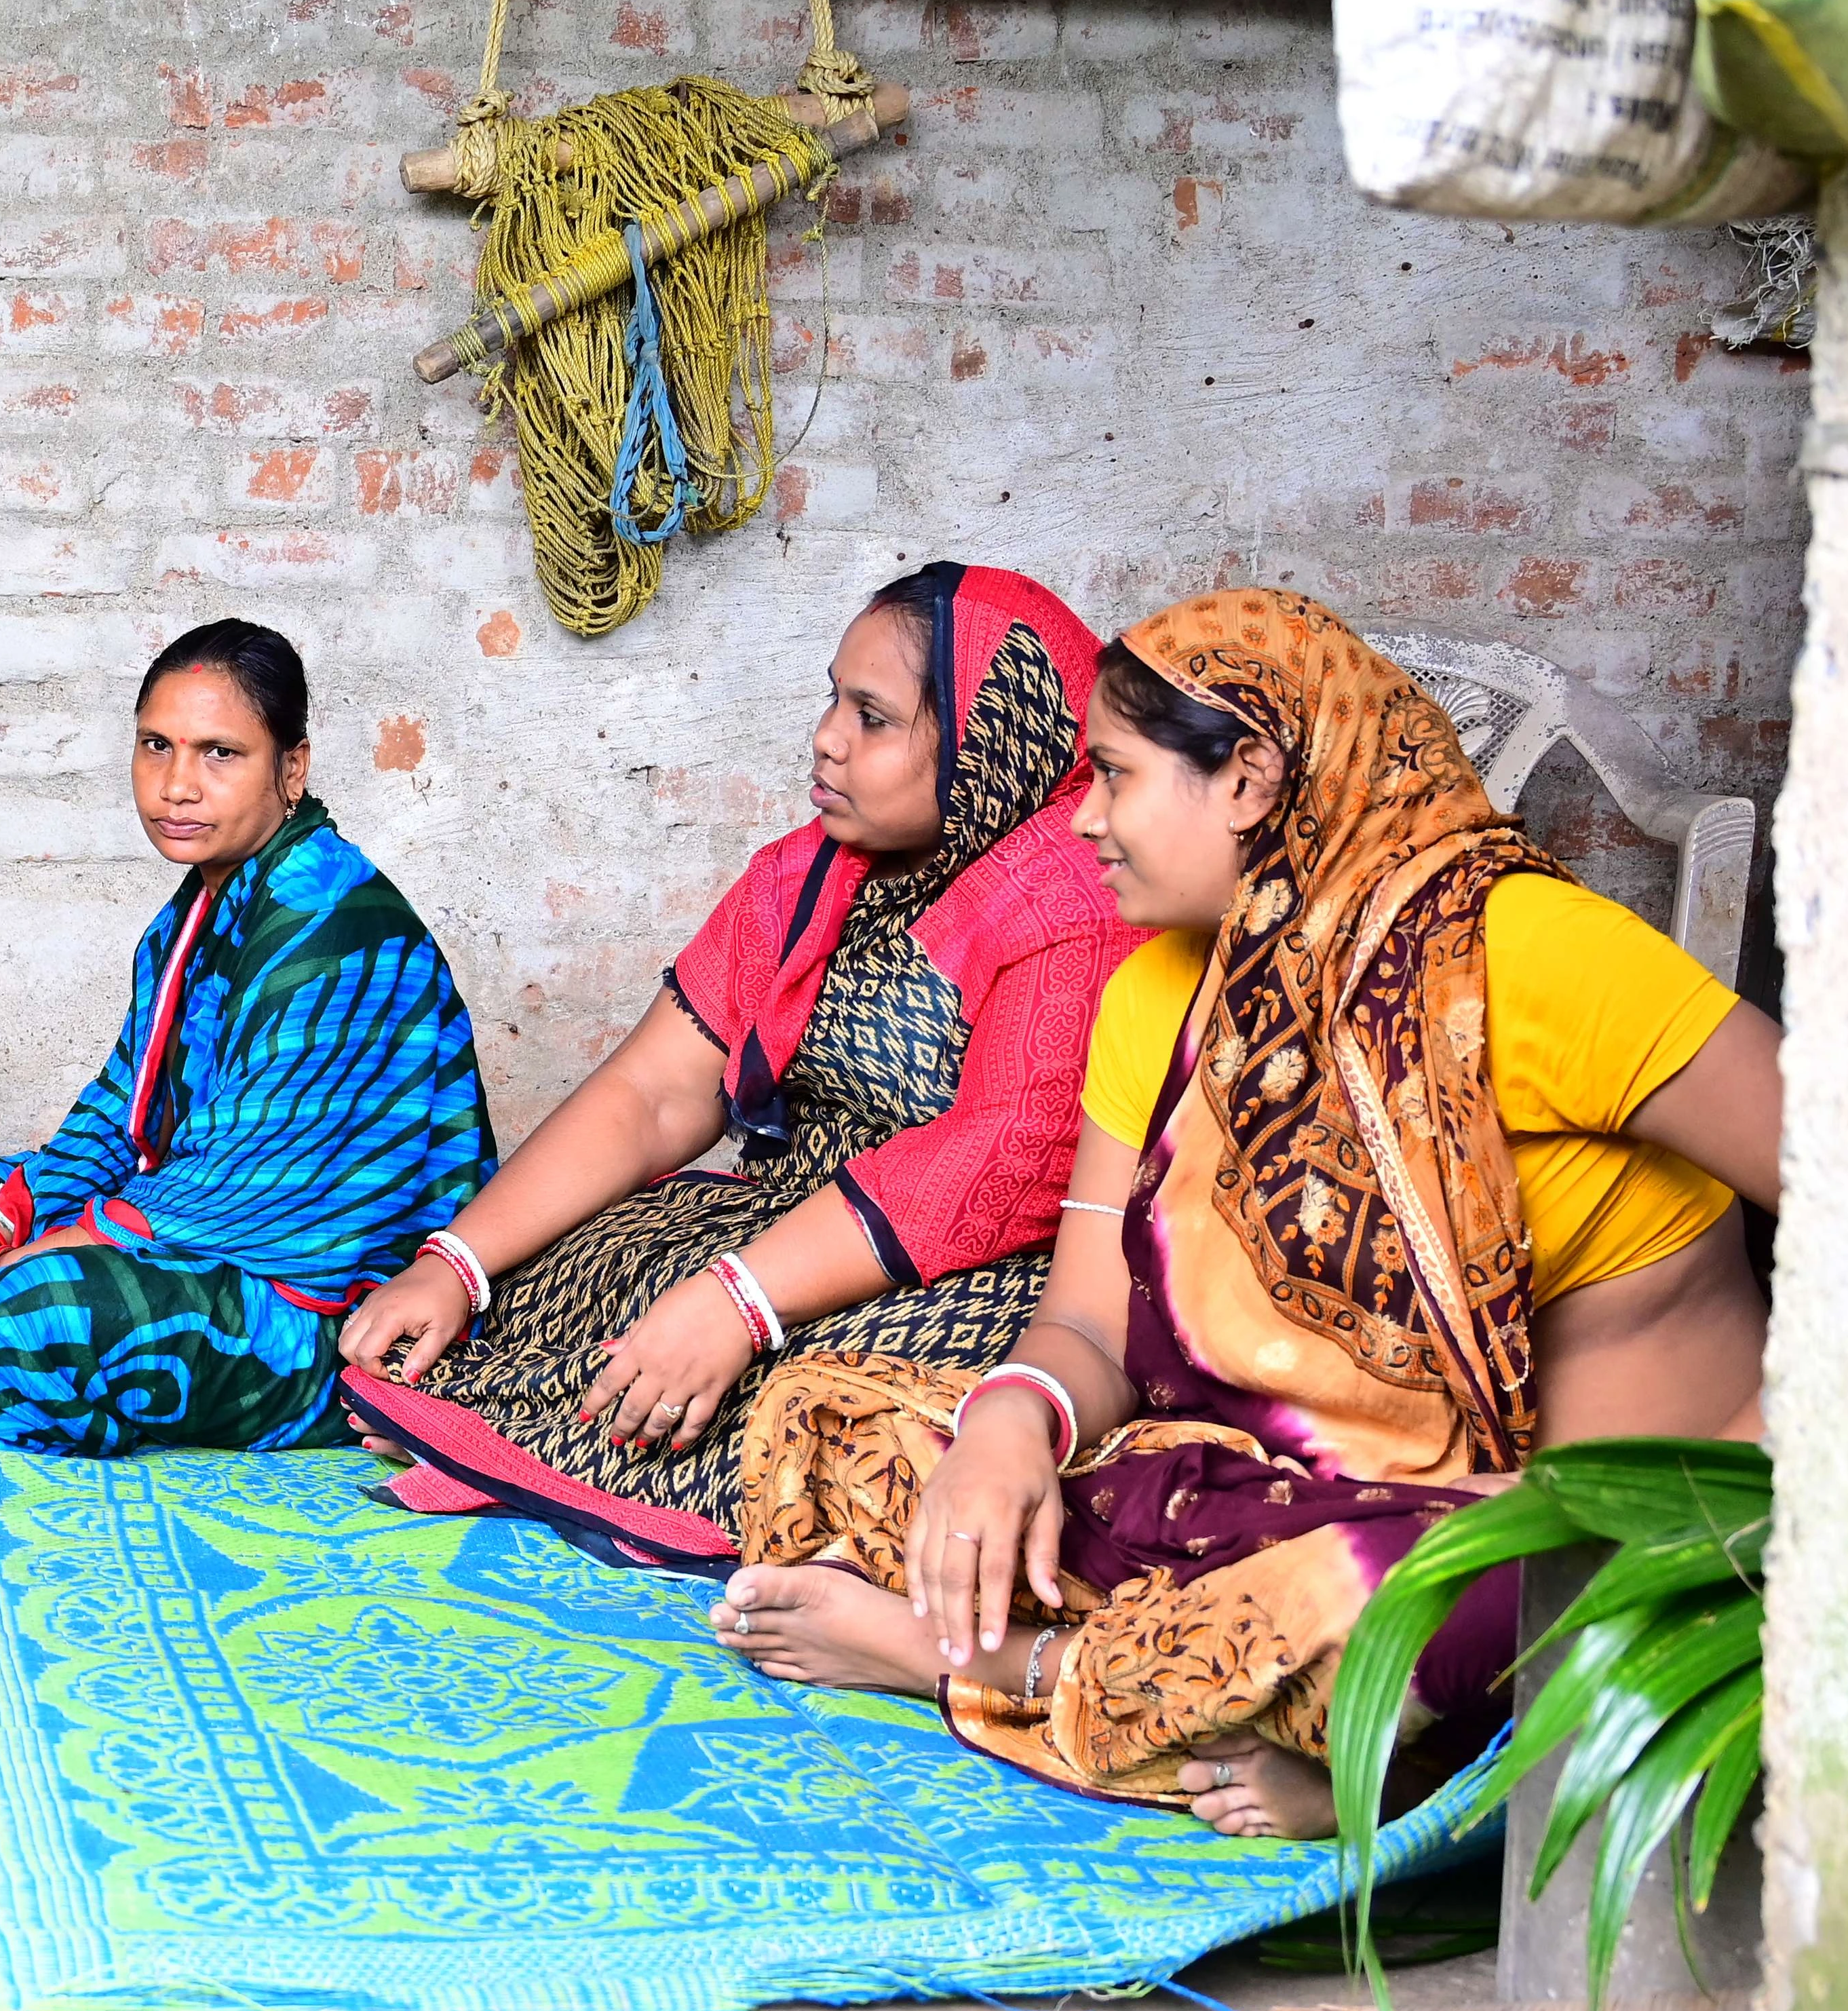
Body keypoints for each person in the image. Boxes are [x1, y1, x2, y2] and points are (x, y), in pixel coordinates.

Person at [710, 590, 1783, 1839]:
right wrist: (1008, 1424)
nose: (1085, 819)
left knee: (1407, 1604)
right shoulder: (1158, 987)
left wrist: (1730, 1489)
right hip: (1282, 1490)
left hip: (1570, 1540)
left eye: (1111, 775)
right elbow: (1087, 1329)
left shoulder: (1532, 953)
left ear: (1248, 778)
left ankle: (1008, 1667)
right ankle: (1199, 1706)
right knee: (826, 1412)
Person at [337, 567, 1141, 1562]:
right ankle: (562, 1425)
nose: (827, 736)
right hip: (794, 1220)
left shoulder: (1081, 905)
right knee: (577, 1261)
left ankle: (588, 1443)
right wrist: (454, 1265)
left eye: (874, 717)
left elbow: (981, 1174)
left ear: (991, 747)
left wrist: (741, 1303)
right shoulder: (807, 875)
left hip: (985, 1271)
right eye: (832, 697)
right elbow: (654, 1092)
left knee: (846, 1400)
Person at [0, 620, 495, 1455]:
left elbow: (246, 1189)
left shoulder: (335, 923)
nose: (176, 784)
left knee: (52, 1297)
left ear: (291, 768)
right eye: (156, 745)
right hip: (197, 1232)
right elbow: (115, 1121)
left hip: (327, 1312)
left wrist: (16, 1262)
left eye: (219, 753)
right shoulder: (189, 919)